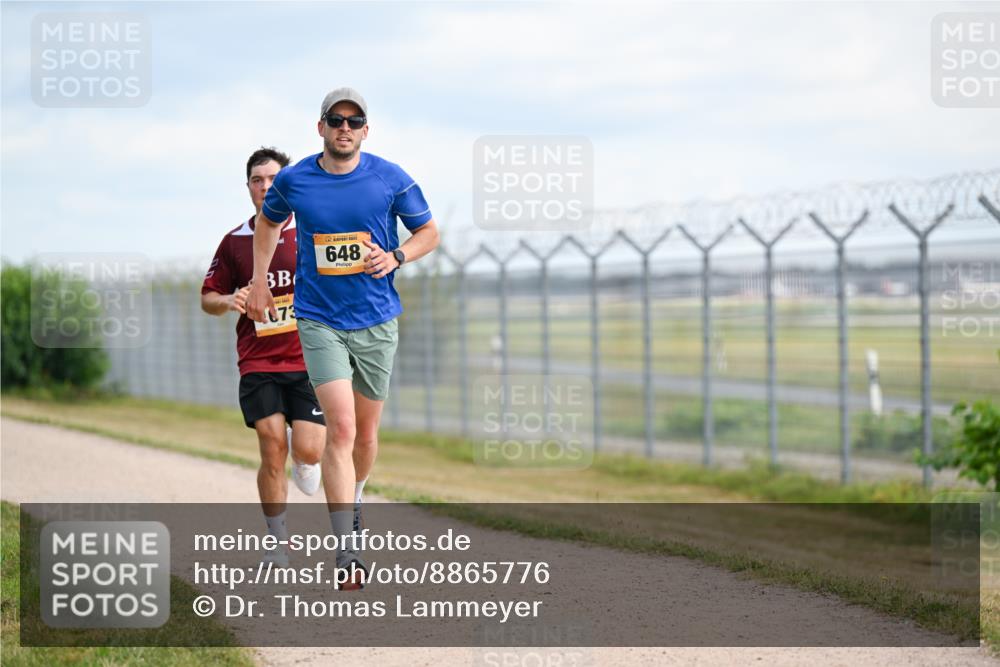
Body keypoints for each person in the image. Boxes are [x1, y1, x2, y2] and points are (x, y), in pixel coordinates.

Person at [246, 88, 440, 589]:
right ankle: (347, 551)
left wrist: (396, 256)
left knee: (366, 435)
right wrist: (261, 280)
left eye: (354, 121)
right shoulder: (295, 179)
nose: (345, 128)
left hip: (376, 320)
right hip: (319, 320)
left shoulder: (389, 177)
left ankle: (354, 496)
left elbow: (429, 233)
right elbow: (268, 223)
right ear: (322, 128)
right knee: (342, 428)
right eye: (336, 120)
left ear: (366, 130)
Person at [201, 147, 326, 567]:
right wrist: (229, 300)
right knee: (271, 447)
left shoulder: (310, 231)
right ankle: (277, 542)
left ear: (288, 184)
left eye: (274, 179)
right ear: (248, 187)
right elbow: (207, 298)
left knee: (308, 451)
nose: (266, 187)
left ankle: (305, 456)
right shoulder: (235, 241)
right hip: (258, 361)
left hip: (309, 359)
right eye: (258, 180)